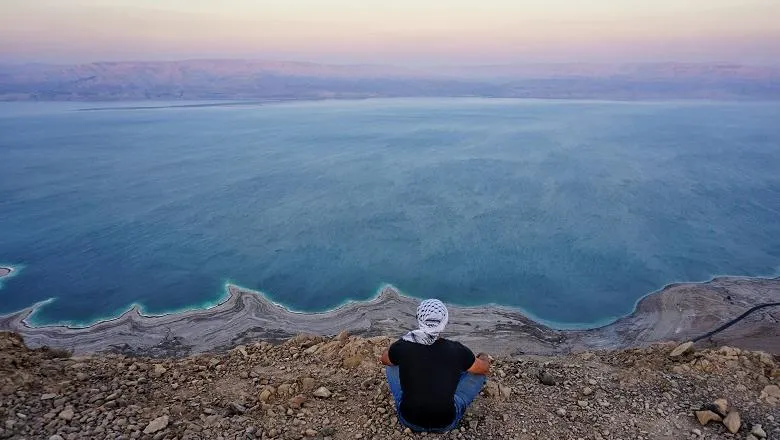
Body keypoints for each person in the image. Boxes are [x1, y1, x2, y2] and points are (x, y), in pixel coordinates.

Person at [379, 299, 491, 433]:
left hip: (408, 419)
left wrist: (399, 346)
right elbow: (484, 368)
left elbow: (385, 359)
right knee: (476, 374)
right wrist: (483, 357)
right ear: (444, 322)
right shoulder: (457, 350)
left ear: (419, 319)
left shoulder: (403, 345)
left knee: (392, 364)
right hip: (446, 422)